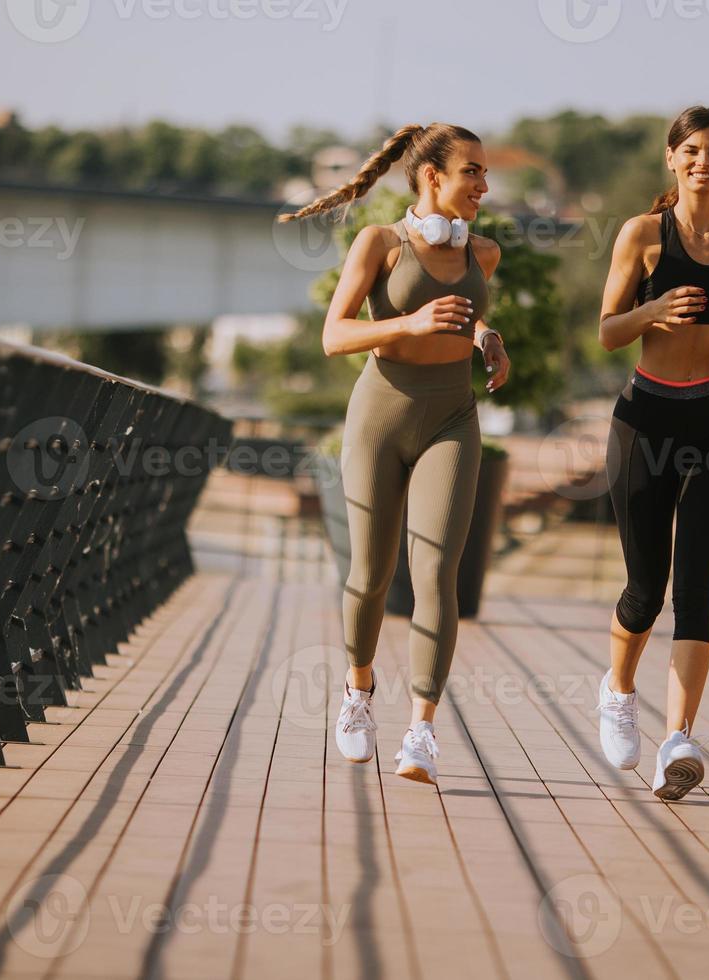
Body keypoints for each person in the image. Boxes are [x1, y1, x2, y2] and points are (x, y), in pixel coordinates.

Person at [278, 123, 510, 784]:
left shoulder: (484, 254)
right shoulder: (379, 243)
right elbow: (334, 333)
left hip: (452, 417)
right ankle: (356, 696)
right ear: (431, 175)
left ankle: (422, 731)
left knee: (437, 572)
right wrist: (408, 323)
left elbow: (472, 316)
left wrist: (488, 339)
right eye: (473, 172)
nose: (484, 186)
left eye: (485, 174)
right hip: (381, 415)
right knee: (370, 575)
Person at [595, 105, 709, 801]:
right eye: (693, 149)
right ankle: (618, 689)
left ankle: (679, 739)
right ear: (672, 159)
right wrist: (652, 312)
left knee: (697, 592)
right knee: (646, 591)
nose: (706, 159)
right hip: (647, 421)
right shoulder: (642, 234)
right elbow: (609, 330)